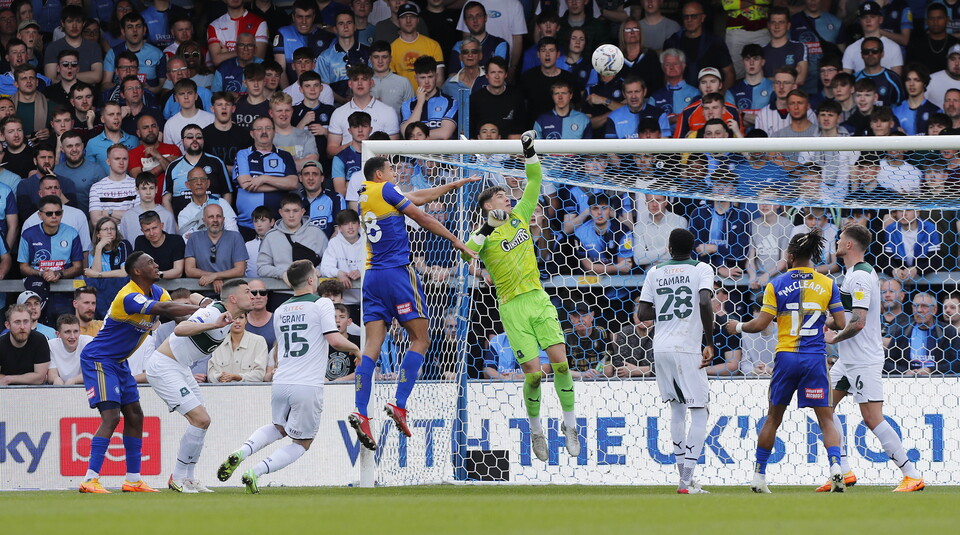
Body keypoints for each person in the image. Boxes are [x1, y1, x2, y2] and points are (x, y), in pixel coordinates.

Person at [458, 131, 578, 460]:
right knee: (536, 376)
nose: (507, 198)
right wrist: (484, 243)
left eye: (506, 195)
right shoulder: (481, 234)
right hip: (511, 307)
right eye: (500, 197)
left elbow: (535, 178)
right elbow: (466, 256)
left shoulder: (522, 215)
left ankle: (570, 425)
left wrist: (529, 150)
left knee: (562, 365)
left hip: (537, 298)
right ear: (486, 206)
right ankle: (537, 429)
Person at [347, 154, 478, 450]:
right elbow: (423, 216)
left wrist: (455, 184)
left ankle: (361, 411)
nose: (395, 173)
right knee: (420, 339)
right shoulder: (384, 189)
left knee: (371, 347)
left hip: (372, 278)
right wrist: (456, 241)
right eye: (392, 169)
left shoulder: (365, 195)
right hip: (397, 275)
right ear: (380, 174)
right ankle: (400, 405)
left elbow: (417, 197)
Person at [217, 260, 361, 494]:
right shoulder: (321, 304)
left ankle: (242, 451)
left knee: (278, 427)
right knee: (302, 443)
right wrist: (356, 350)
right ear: (312, 280)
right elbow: (334, 339)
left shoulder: (282, 309)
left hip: (281, 379)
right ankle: (256, 472)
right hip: (307, 383)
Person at [725, 229, 847, 493]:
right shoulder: (828, 284)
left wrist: (737, 327)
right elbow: (840, 323)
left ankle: (758, 477)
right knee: (826, 419)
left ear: (790, 256)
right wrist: (816, 319)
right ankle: (836, 467)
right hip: (815, 358)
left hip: (787, 357)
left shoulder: (776, 284)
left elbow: (760, 324)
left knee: (773, 418)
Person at [814, 224, 925, 492]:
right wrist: (825, 321)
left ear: (850, 245)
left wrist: (833, 338)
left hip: (864, 359)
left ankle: (912, 475)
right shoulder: (851, 274)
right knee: (823, 407)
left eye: (840, 239)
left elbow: (859, 322)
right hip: (847, 359)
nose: (837, 242)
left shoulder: (861, 276)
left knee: (872, 418)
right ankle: (844, 471)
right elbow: (849, 316)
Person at [78, 251, 200, 493]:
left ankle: (133, 480)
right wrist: (201, 305)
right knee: (111, 418)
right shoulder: (128, 295)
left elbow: (173, 310)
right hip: (99, 359)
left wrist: (205, 313)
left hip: (119, 361)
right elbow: (166, 308)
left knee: (135, 416)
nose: (156, 265)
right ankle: (89, 479)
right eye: (150, 262)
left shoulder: (157, 291)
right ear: (137, 271)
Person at [144, 279, 252, 493]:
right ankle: (177, 476)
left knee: (203, 422)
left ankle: (189, 477)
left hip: (181, 367)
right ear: (233, 298)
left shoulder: (216, 308)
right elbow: (181, 328)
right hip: (164, 366)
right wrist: (213, 323)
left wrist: (202, 302)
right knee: (201, 419)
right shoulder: (214, 314)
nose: (254, 296)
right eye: (248, 292)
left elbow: (194, 296)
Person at [636, 228, 714, 493]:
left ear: (669, 247)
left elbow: (643, 311)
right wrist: (710, 341)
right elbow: (704, 301)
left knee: (677, 410)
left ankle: (684, 479)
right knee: (700, 410)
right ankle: (686, 480)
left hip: (660, 349)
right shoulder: (702, 269)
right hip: (686, 347)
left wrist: (666, 307)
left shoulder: (655, 272)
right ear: (693, 247)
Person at [234, 116, 299, 238]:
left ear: (274, 132)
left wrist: (263, 178)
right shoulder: (243, 154)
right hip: (248, 225)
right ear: (252, 133)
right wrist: (281, 185)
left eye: (268, 128)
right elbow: (246, 184)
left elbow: (293, 183)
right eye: (259, 129)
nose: (264, 132)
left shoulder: (285, 155)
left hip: (279, 225)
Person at [256, 192, 329, 282]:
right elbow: (261, 267)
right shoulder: (270, 236)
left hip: (312, 291)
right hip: (281, 291)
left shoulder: (317, 233)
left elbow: (328, 262)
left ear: (302, 212)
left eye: (295, 211)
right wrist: (282, 274)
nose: (291, 215)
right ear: (281, 212)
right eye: (287, 211)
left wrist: (317, 270)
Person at [184, 203, 248, 293]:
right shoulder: (194, 238)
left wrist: (215, 276)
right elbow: (189, 270)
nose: (215, 220)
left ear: (223, 219)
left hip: (232, 292)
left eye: (218, 216)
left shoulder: (235, 237)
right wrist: (212, 277)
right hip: (202, 292)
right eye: (211, 217)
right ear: (204, 220)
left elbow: (240, 270)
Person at [18, 195, 83, 284]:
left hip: (65, 283)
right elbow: (23, 267)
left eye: (58, 213)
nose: (54, 216)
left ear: (62, 213)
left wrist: (59, 273)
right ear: (40, 215)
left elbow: (78, 267)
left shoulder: (72, 233)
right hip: (36, 282)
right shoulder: (28, 235)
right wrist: (41, 274)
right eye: (49, 213)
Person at [400, 55, 457, 140]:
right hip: (415, 153)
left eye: (430, 77)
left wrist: (417, 136)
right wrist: (420, 103)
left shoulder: (451, 102)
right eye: (422, 77)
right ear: (416, 78)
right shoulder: (407, 104)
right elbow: (406, 133)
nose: (427, 82)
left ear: (436, 76)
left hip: (441, 152)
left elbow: (445, 133)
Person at [319, 209, 365, 304]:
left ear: (359, 225)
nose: (350, 227)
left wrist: (362, 272)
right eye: (346, 224)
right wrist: (339, 273)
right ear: (339, 228)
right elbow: (325, 268)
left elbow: (377, 264)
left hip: (367, 300)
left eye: (353, 223)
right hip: (343, 303)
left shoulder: (367, 242)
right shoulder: (334, 243)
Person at [208, 312, 268, 383]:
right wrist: (219, 377)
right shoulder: (218, 341)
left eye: (241, 317)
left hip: (249, 391)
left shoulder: (259, 342)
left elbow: (260, 375)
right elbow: (211, 373)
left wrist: (237, 377)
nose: (237, 321)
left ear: (246, 320)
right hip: (222, 390)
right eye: (234, 318)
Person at [118, 173, 177, 242]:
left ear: (156, 189)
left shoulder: (167, 215)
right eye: (144, 188)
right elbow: (124, 244)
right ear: (137, 190)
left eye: (151, 188)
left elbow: (171, 243)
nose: (148, 192)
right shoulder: (128, 216)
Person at [88, 144, 138, 226]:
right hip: (107, 237)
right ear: (108, 161)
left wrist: (109, 212)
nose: (121, 162)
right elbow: (95, 221)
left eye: (125, 159)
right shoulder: (96, 188)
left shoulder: (137, 185)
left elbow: (137, 218)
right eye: (117, 159)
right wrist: (125, 216)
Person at [0, 304, 49, 385]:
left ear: (31, 323)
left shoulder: (40, 340)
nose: (22, 327)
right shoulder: (1, 344)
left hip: (35, 392)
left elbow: (40, 378)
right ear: (7, 325)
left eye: (26, 322)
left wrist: (9, 379)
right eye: (17, 322)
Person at [134, 210, 186, 279]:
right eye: (147, 230)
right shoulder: (140, 241)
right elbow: (137, 267)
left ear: (162, 226)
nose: (152, 233)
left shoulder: (176, 240)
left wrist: (157, 274)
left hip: (176, 286)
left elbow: (178, 272)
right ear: (142, 231)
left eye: (154, 228)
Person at [47, 313, 92, 385]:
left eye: (76, 331)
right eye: (67, 332)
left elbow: (91, 373)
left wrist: (74, 380)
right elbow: (51, 374)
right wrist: (56, 379)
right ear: (58, 334)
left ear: (80, 332)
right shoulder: (51, 345)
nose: (72, 336)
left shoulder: (88, 342)